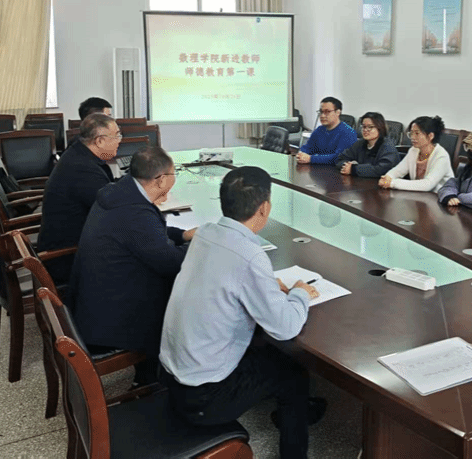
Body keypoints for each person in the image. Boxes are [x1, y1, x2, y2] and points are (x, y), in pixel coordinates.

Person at [160, 166, 322, 459]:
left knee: (267, 353)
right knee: (293, 374)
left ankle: (293, 412)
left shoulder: (206, 233)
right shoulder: (249, 255)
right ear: (264, 208)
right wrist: (300, 292)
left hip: (172, 377)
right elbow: (285, 327)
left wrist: (264, 285)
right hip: (203, 398)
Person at [69, 146, 195, 385]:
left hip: (92, 304)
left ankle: (150, 374)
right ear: (161, 179)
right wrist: (202, 246)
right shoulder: (135, 213)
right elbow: (171, 263)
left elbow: (146, 235)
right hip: (110, 322)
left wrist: (183, 235)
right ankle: (156, 380)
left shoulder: (118, 193)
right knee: (184, 296)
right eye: (173, 174)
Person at [37, 113, 120, 283]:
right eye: (117, 135)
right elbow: (115, 213)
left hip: (76, 243)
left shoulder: (78, 153)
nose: (120, 141)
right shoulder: (83, 170)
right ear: (99, 141)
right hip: (69, 259)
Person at [378, 115, 453, 192]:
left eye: (417, 133)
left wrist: (392, 183)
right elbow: (398, 170)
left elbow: (427, 185)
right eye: (411, 133)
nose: (412, 137)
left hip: (440, 196)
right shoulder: (414, 151)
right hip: (420, 195)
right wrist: (387, 177)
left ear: (430, 136)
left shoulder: (441, 156)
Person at [335, 112, 400, 178]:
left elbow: (382, 170)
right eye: (364, 127)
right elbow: (340, 159)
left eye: (370, 127)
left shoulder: (388, 147)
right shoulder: (360, 143)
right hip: (360, 181)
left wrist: (354, 169)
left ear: (380, 128)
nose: (365, 130)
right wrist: (347, 166)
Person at [295, 96, 357, 165]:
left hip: (336, 170)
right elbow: (308, 147)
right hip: (317, 169)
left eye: (327, 112)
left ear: (338, 112)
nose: (322, 115)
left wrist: (311, 159)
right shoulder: (319, 130)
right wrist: (301, 154)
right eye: (321, 112)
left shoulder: (348, 132)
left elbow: (338, 157)